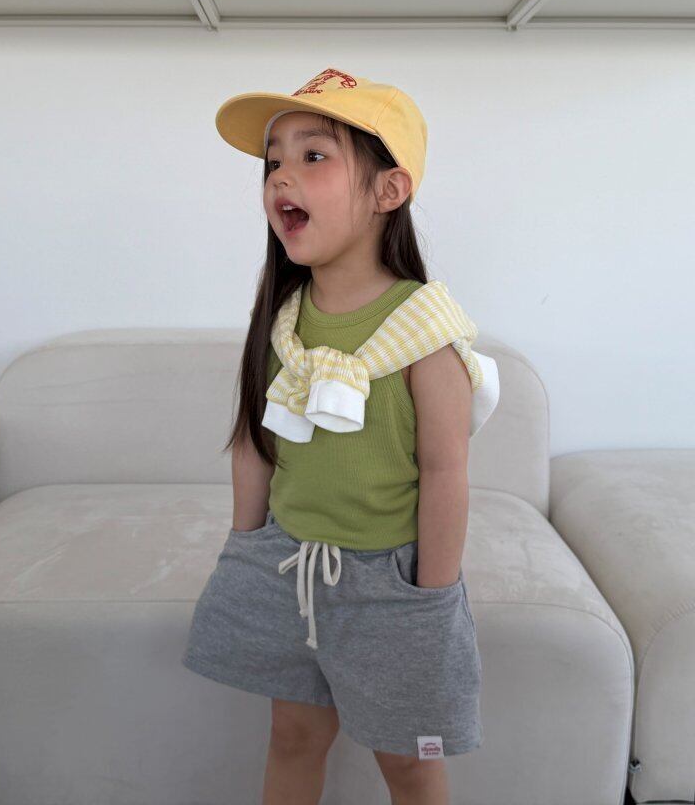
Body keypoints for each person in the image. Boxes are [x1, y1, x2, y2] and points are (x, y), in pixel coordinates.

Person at [181, 66, 500, 805]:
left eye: (314, 155)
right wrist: (246, 550)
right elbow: (254, 441)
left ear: (389, 191)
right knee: (293, 735)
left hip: (391, 588)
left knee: (409, 764)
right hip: (288, 567)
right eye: (274, 162)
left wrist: (430, 601)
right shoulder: (284, 322)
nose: (280, 176)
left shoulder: (426, 331)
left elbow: (445, 472)